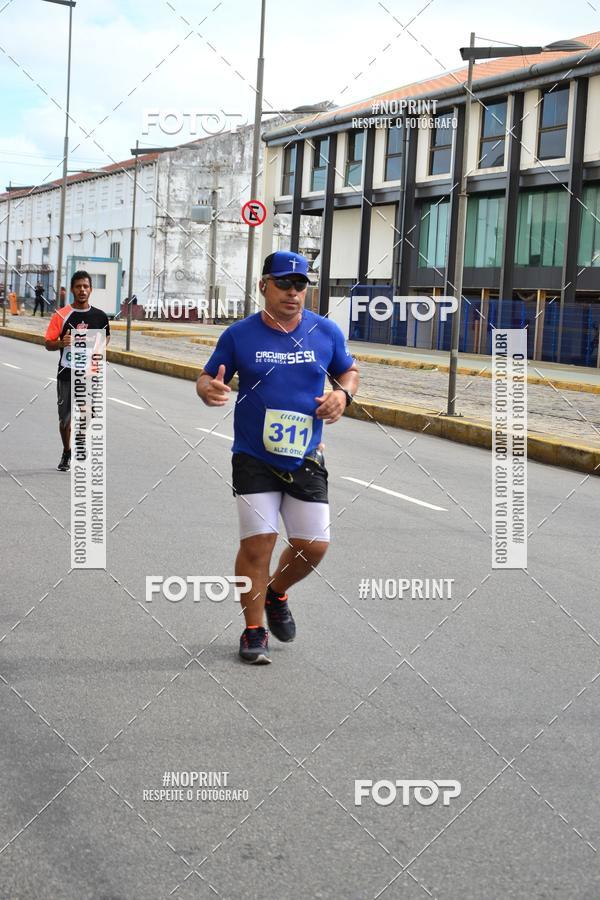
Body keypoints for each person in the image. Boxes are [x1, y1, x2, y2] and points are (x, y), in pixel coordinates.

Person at [196, 251, 360, 664]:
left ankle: (275, 591)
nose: (293, 292)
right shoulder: (239, 335)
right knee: (258, 546)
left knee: (314, 546)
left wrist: (343, 394)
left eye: (301, 285)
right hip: (253, 455)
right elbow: (208, 374)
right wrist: (207, 389)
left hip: (305, 455)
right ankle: (254, 631)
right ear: (263, 286)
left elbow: (348, 371)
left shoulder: (325, 331)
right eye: (284, 283)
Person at [44, 270, 110, 472]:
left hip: (89, 373)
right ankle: (67, 451)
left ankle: (80, 437)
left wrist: (99, 348)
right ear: (72, 289)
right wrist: (59, 343)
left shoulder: (99, 316)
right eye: (78, 286)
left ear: (90, 289)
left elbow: (106, 336)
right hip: (66, 373)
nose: (82, 290)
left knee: (88, 411)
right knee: (65, 419)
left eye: (86, 286)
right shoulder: (61, 315)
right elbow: (47, 343)